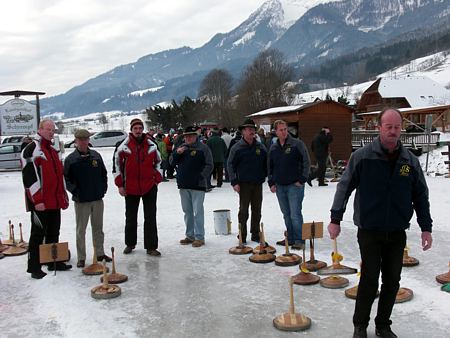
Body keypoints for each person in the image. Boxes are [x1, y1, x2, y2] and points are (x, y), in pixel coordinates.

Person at [327, 108, 433, 338]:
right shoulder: (363, 157)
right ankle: (360, 325)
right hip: (369, 230)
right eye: (389, 127)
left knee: (392, 281)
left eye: (397, 127)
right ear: (379, 127)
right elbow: (344, 187)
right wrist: (335, 218)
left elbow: (420, 195)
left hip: (396, 231)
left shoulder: (409, 161)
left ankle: (383, 324)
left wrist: (426, 227)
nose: (393, 131)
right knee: (370, 279)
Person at [21, 119, 71, 279]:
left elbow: (59, 175)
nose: (51, 132)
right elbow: (29, 178)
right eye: (48, 129)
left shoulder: (52, 150)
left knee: (53, 231)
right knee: (37, 234)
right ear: (40, 129)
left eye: (53, 130)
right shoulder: (32, 149)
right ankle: (34, 266)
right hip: (40, 203)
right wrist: (37, 200)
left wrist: (63, 195)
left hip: (54, 201)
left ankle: (52, 261)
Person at [114, 118, 163, 256]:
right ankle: (130, 244)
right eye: (135, 128)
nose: (138, 131)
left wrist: (157, 179)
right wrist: (120, 184)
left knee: (150, 217)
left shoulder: (152, 144)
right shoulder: (123, 146)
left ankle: (151, 246)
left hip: (149, 186)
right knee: (130, 217)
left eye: (140, 128)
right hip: (131, 187)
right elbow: (117, 165)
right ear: (131, 130)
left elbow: (159, 162)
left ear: (143, 129)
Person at [64, 129, 110, 268]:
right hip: (81, 201)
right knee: (81, 230)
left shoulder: (96, 156)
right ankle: (81, 257)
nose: (83, 142)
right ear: (76, 141)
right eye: (80, 139)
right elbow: (67, 179)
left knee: (98, 228)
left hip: (97, 198)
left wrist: (103, 189)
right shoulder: (71, 159)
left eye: (86, 139)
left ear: (89, 140)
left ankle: (100, 253)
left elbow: (103, 174)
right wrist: (76, 192)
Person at [268, 120, 310, 250]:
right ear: (276, 132)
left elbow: (306, 161)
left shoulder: (297, 144)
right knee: (286, 213)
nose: (284, 132)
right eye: (281, 130)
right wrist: (271, 182)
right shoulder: (274, 147)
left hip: (294, 185)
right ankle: (290, 237)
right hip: (280, 185)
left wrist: (302, 179)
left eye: (285, 129)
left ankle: (299, 240)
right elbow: (270, 166)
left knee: (295, 214)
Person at [169, 126, 213, 247]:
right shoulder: (180, 148)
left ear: (196, 136)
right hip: (183, 185)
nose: (188, 138)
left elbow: (209, 165)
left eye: (191, 136)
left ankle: (199, 237)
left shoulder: (203, 148)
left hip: (198, 185)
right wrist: (177, 154)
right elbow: (171, 162)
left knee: (198, 211)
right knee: (187, 211)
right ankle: (189, 235)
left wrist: (200, 176)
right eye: (186, 136)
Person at [228, 119, 267, 243]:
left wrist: (266, 175)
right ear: (243, 131)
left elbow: (267, 163)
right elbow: (229, 165)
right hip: (243, 184)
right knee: (243, 210)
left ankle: (255, 234)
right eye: (248, 129)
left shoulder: (260, 146)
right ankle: (242, 234)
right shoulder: (237, 147)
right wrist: (234, 182)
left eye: (253, 129)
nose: (251, 131)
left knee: (257, 210)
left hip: (257, 183)